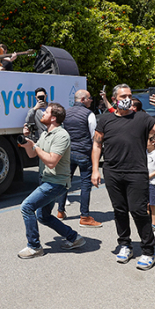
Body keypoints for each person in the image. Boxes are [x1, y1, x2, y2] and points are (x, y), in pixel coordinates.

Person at [91, 85, 155, 270]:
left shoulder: (141, 117)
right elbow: (97, 145)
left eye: (130, 95)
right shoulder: (105, 120)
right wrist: (95, 170)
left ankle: (148, 250)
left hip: (136, 173)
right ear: (115, 99)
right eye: (123, 95)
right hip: (113, 172)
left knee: (139, 211)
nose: (127, 98)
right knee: (119, 211)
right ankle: (125, 244)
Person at [16, 102, 86, 259]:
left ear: (53, 118)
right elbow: (32, 155)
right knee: (43, 216)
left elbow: (51, 161)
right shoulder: (46, 134)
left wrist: (35, 147)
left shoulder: (62, 136)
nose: (43, 114)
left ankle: (34, 247)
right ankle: (74, 238)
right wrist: (27, 141)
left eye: (46, 112)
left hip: (56, 183)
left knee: (26, 207)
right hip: (46, 180)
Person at [54, 90, 101, 227]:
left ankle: (60, 211)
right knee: (85, 184)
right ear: (82, 99)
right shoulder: (89, 114)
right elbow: (94, 135)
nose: (91, 100)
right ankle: (84, 216)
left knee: (65, 182)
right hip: (84, 153)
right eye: (89, 98)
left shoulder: (66, 113)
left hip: (68, 152)